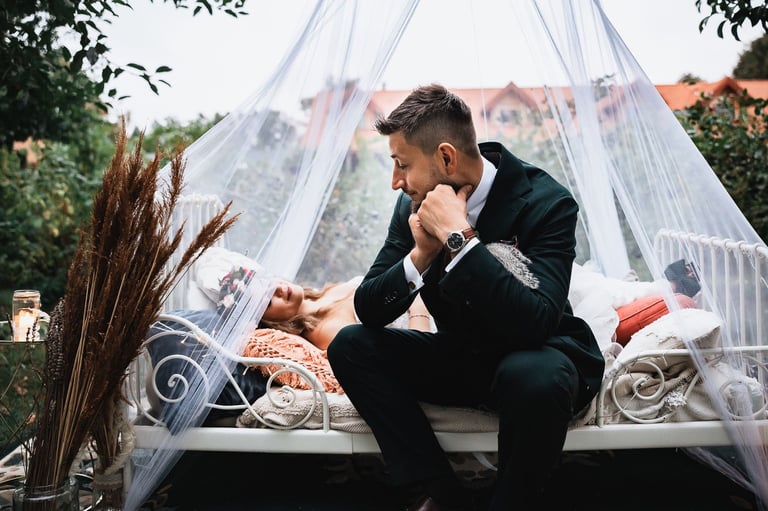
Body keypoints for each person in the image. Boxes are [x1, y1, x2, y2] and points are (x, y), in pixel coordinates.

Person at [327, 84, 606, 511]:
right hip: (462, 357)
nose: (396, 182)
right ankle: (441, 494)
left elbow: (536, 322)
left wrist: (459, 238)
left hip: (534, 354)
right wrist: (421, 255)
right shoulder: (412, 207)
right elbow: (369, 308)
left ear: (445, 157)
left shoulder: (547, 201)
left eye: (403, 165)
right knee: (350, 345)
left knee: (536, 374)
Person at [257, 276, 432, 350]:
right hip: (434, 334)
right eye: (268, 302)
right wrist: (418, 306)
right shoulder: (326, 332)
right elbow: (412, 355)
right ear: (270, 324)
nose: (278, 289)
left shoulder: (326, 292)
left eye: (269, 284)